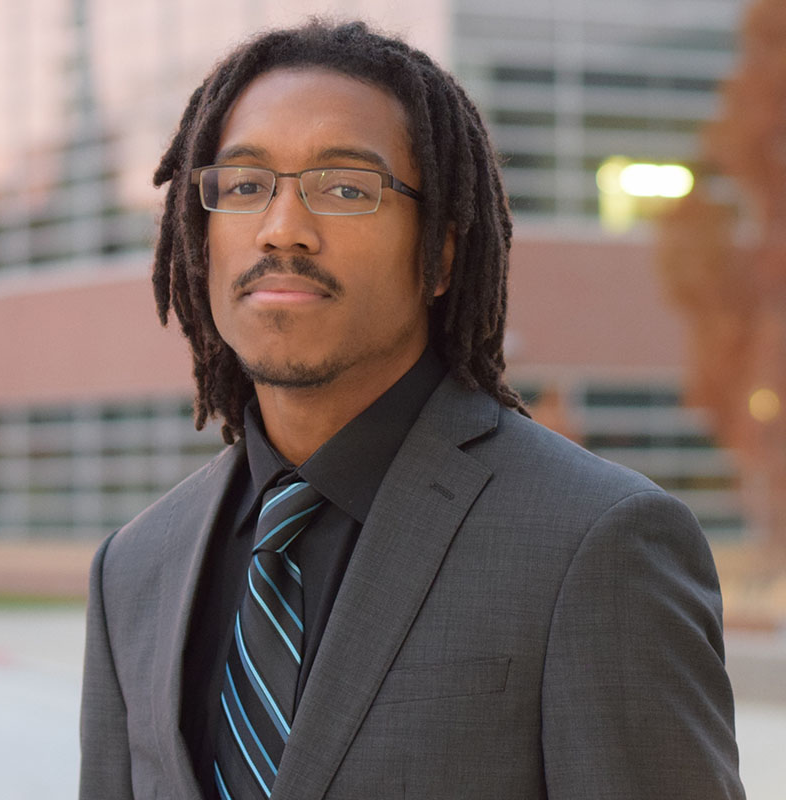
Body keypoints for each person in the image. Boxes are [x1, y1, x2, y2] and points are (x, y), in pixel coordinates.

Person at [80, 19, 745, 800]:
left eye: (346, 189)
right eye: (245, 185)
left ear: (440, 254)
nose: (283, 228)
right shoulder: (134, 569)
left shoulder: (596, 544)